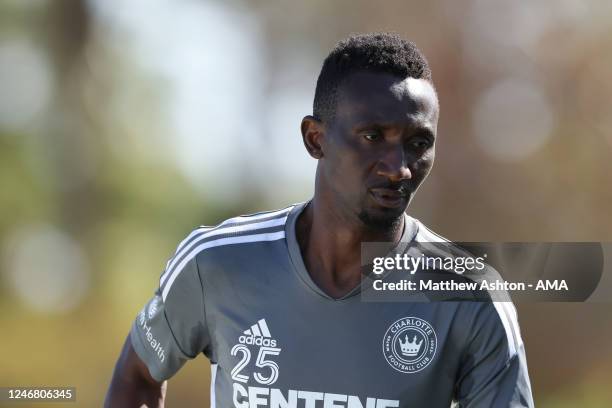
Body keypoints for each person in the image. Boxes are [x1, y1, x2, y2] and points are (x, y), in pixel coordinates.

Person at [105, 32, 533, 407]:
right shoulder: (217, 262)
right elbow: (137, 376)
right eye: (372, 137)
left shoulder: (469, 295)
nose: (398, 167)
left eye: (418, 142)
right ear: (315, 138)